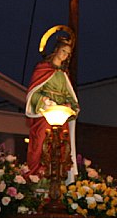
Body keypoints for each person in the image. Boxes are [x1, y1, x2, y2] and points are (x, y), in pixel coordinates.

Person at [25, 34, 80, 180]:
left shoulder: (63, 74)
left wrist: (70, 105)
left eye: (68, 54)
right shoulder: (42, 68)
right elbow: (33, 93)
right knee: (41, 143)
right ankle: (38, 174)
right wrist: (45, 101)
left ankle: (57, 175)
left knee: (61, 147)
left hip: (60, 117)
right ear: (56, 50)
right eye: (63, 51)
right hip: (45, 115)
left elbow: (70, 96)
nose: (65, 56)